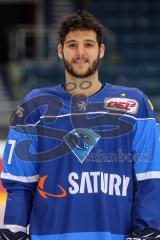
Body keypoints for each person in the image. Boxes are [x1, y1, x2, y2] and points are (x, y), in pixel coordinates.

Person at [0, 10, 160, 240]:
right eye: (72, 44)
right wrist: (13, 229)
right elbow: (20, 181)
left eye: (89, 44)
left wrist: (149, 229)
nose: (81, 52)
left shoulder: (136, 105)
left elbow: (151, 176)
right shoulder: (35, 105)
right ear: (60, 51)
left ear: (101, 50)